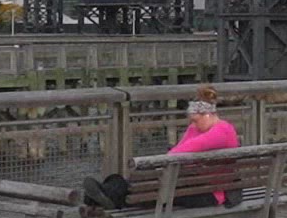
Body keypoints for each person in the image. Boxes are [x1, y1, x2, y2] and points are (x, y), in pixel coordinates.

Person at [82, 85, 244, 210]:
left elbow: (177, 153)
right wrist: (193, 128)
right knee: (140, 188)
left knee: (144, 190)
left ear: (208, 114)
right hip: (194, 185)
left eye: (195, 120)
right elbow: (178, 152)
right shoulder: (208, 129)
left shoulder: (221, 132)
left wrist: (191, 132)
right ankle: (104, 194)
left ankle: (100, 195)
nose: (193, 124)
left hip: (210, 193)